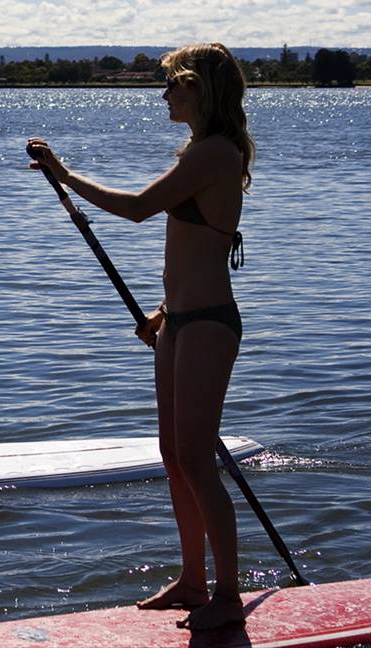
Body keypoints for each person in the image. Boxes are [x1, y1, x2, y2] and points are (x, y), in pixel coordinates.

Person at [27, 43, 255, 632]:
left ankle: (227, 593)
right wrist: (160, 310)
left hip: (208, 324)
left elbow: (137, 209)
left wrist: (64, 174)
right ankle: (192, 581)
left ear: (204, 90)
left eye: (176, 84)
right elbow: (189, 251)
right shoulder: (199, 152)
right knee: (174, 455)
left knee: (198, 461)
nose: (165, 95)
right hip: (178, 321)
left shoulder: (214, 153)